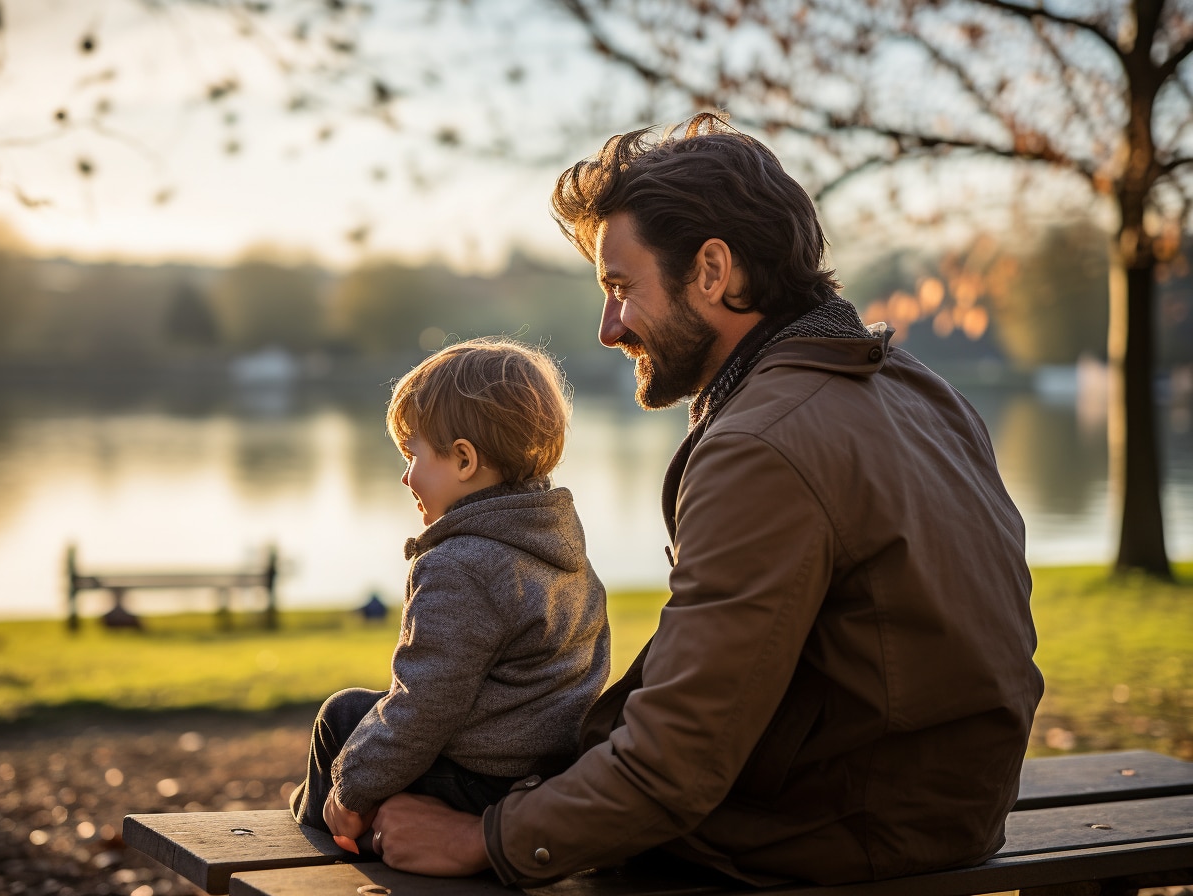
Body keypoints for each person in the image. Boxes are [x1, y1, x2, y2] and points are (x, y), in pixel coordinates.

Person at [367, 114, 1045, 886]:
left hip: (839, 831)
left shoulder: (761, 445)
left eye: (621, 287)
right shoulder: (921, 391)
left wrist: (489, 839)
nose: (607, 328)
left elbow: (676, 760)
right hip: (944, 808)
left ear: (712, 271)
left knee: (408, 778)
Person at [290, 336, 611, 855]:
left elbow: (423, 705)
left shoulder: (460, 565)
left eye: (412, 454)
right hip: (547, 776)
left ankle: (324, 845)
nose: (404, 475)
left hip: (478, 784)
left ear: (464, 460)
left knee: (343, 717)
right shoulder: (558, 546)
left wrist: (354, 786)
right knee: (369, 724)